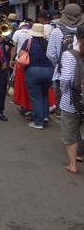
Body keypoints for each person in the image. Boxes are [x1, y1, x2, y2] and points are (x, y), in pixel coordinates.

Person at [19, 23, 54, 129]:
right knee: (45, 94)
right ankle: (45, 116)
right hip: (49, 71)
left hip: (33, 71)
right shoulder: (48, 43)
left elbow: (21, 55)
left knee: (36, 97)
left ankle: (38, 121)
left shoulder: (28, 42)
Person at [59, 24, 84, 174]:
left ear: (77, 37)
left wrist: (62, 91)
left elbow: (66, 79)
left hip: (71, 102)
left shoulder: (70, 55)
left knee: (70, 133)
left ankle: (73, 165)